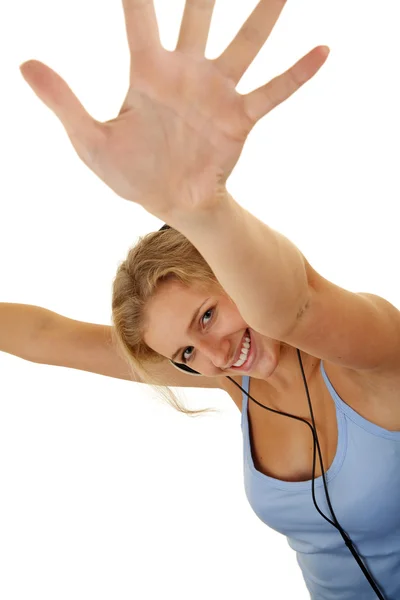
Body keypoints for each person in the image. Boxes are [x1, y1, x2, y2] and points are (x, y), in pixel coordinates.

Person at [9, 1, 400, 598]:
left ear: (228, 272)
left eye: (208, 315)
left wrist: (201, 208)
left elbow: (293, 306)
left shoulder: (368, 357)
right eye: (186, 353)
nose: (215, 354)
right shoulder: (231, 380)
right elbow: (47, 338)